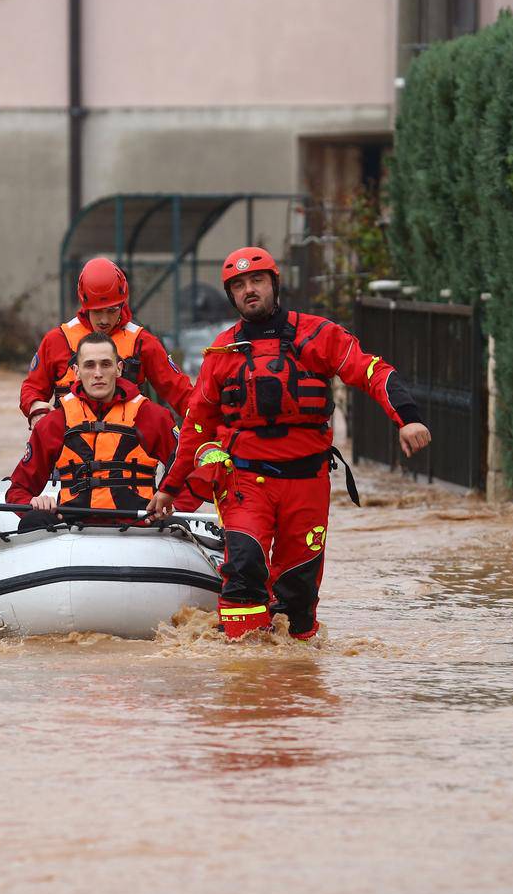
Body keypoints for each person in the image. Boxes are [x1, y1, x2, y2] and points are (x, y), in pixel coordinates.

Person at [146, 246, 431, 641]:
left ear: (274, 285)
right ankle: (245, 676)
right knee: (244, 569)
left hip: (307, 481)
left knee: (298, 591)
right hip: (244, 482)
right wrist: (170, 490)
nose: (250, 290)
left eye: (257, 281)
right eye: (240, 285)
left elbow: (371, 370)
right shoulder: (221, 354)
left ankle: (293, 680)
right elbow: (195, 426)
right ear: (231, 295)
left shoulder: (319, 335)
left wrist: (408, 417)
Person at [7, 332, 205, 530]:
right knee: (33, 521)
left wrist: (173, 506)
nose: (98, 373)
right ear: (76, 371)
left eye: (106, 364)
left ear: (119, 369)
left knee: (175, 526)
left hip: (140, 526)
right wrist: (35, 504)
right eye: (89, 365)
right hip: (71, 529)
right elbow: (18, 490)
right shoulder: (54, 423)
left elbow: (194, 473)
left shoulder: (153, 416)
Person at [19, 257, 193, 428]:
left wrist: (204, 428)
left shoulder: (142, 342)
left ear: (123, 303)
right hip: (69, 446)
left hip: (128, 447)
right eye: (97, 311)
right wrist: (35, 408)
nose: (104, 319)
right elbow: (33, 387)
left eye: (112, 311)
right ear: (84, 304)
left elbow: (180, 392)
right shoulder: (57, 340)